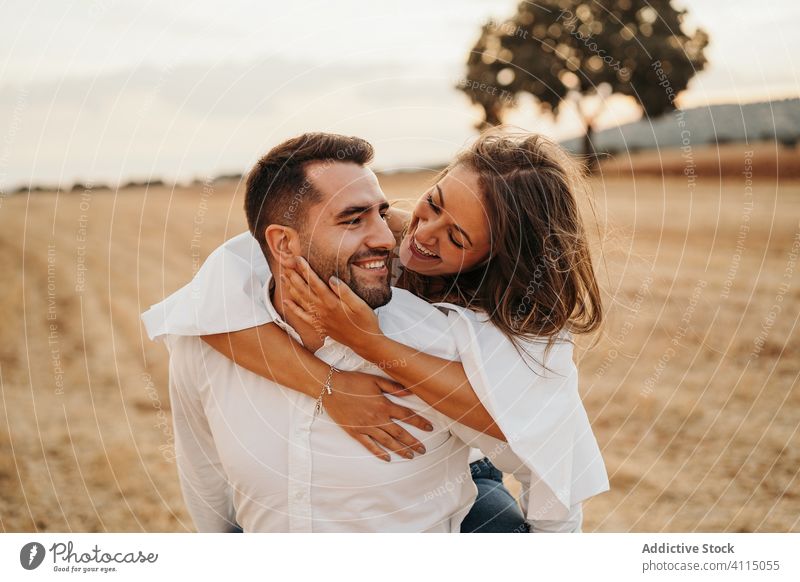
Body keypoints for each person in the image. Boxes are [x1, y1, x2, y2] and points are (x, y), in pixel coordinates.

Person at [142, 131, 608, 533]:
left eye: (457, 238)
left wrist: (368, 342)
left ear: (496, 256)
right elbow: (204, 312)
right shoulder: (389, 233)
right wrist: (331, 386)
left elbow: (543, 442)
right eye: (434, 203)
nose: (420, 236)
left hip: (468, 463)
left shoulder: (520, 330)